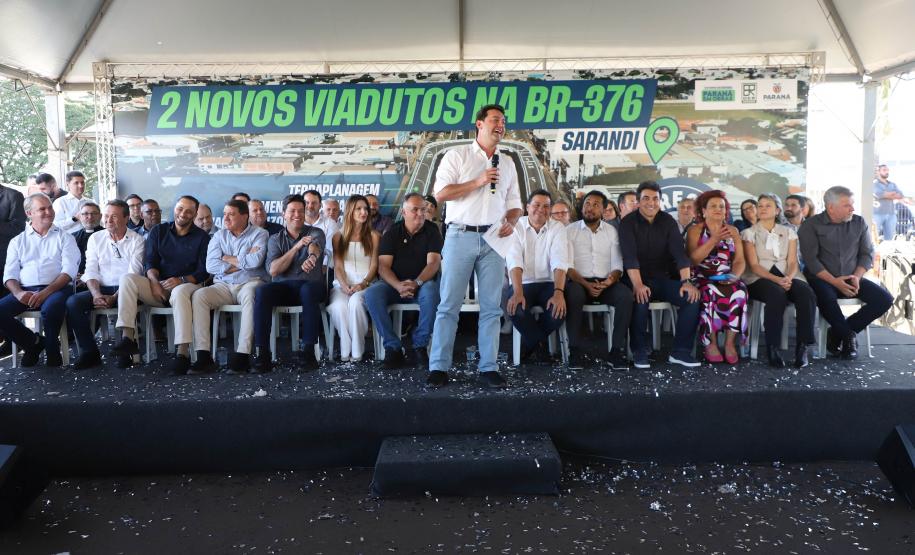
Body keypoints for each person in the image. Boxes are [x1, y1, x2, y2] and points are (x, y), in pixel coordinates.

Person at [427, 104, 522, 389]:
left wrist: (512, 221)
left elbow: (515, 205)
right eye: (495, 120)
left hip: (494, 238)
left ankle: (489, 367)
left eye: (503, 121)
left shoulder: (507, 163)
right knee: (448, 305)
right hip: (460, 236)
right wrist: (478, 181)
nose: (500, 125)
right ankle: (438, 367)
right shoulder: (457, 156)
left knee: (493, 308)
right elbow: (441, 194)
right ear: (479, 124)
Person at [111, 196, 209, 373]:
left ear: (195, 214)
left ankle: (182, 353)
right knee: (127, 279)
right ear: (174, 209)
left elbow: (203, 271)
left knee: (180, 291)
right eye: (180, 208)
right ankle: (127, 340)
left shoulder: (202, 237)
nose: (183, 214)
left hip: (188, 286)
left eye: (188, 211)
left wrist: (181, 280)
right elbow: (150, 262)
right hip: (159, 287)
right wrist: (154, 283)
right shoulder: (159, 231)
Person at [799, 186, 893, 360]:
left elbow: (867, 254)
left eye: (852, 204)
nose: (852, 209)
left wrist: (857, 277)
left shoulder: (859, 222)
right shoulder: (810, 225)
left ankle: (837, 333)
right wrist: (835, 282)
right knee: (826, 297)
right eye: (847, 205)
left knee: (884, 299)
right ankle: (848, 337)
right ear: (831, 207)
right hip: (821, 278)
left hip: (852, 276)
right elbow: (811, 261)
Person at [621, 181, 701, 369]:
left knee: (691, 297)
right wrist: (638, 285)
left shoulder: (667, 221)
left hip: (663, 278)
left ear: (660, 201)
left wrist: (686, 282)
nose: (651, 203)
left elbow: (680, 255)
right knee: (640, 297)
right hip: (636, 278)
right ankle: (639, 351)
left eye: (655, 199)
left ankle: (680, 352)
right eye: (646, 198)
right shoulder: (627, 223)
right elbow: (629, 258)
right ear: (639, 202)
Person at [190, 200, 269, 374]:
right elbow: (210, 266)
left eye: (231, 214)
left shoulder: (260, 234)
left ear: (244, 216)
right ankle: (203, 355)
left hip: (250, 281)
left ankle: (243, 354)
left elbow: (256, 262)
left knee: (251, 293)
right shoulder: (219, 236)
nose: (225, 218)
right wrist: (242, 260)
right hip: (223, 285)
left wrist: (226, 258)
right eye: (224, 213)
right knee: (199, 296)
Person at [0, 193, 79, 367]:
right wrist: (19, 293)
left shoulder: (65, 237)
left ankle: (52, 348)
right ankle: (33, 343)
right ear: (29, 214)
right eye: (42, 209)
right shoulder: (17, 241)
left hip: (57, 288)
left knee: (51, 308)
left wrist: (45, 292)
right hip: (25, 289)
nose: (49, 212)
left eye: (50, 207)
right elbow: (10, 275)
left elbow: (69, 271)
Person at [65, 200, 145, 369]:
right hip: (101, 289)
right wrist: (97, 295)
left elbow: (133, 273)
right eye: (107, 216)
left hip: (129, 291)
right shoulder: (96, 238)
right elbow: (91, 270)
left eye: (114, 216)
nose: (108, 220)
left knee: (127, 284)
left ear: (126, 218)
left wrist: (114, 297)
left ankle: (126, 350)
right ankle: (90, 352)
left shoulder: (137, 240)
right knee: (73, 302)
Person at [365, 193, 442, 368]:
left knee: (431, 292)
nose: (420, 214)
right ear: (404, 212)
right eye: (415, 210)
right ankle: (393, 348)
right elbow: (383, 266)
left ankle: (420, 346)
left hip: (422, 284)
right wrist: (398, 285)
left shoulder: (432, 231)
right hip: (394, 284)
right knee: (372, 293)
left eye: (423, 210)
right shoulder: (393, 232)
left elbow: (433, 263)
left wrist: (417, 283)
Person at [740, 194, 816, 368]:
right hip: (760, 277)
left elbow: (792, 262)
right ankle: (772, 347)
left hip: (788, 274)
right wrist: (777, 280)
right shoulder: (749, 233)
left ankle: (802, 347)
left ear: (777, 210)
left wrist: (788, 277)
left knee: (806, 293)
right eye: (760, 206)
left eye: (768, 205)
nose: (763, 208)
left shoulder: (789, 232)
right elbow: (754, 265)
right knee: (776, 294)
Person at [253, 194, 326, 373]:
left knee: (308, 290)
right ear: (283, 214)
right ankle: (263, 354)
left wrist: (312, 257)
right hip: (284, 287)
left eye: (301, 211)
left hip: (311, 286)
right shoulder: (275, 239)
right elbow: (274, 270)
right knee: (262, 291)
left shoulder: (315, 231)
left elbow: (314, 246)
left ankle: (308, 352)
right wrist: (296, 247)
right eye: (292, 211)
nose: (297, 215)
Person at [564, 190, 632, 368]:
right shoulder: (570, 231)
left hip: (605, 283)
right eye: (587, 203)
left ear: (603, 210)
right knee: (574, 295)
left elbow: (617, 264)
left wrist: (610, 280)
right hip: (579, 281)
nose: (590, 208)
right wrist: (586, 284)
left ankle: (616, 351)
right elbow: (567, 266)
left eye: (595, 205)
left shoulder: (611, 231)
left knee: (625, 296)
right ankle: (574, 351)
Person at [503, 190, 569, 362]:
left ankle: (528, 344)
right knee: (515, 309)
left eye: (546, 206)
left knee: (558, 311)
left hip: (548, 283)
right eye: (536, 205)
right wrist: (517, 292)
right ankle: (541, 346)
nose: (541, 209)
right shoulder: (516, 227)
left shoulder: (558, 228)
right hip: (522, 283)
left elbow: (560, 261)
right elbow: (514, 261)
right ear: (527, 207)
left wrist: (558, 292)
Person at [686, 190, 748, 364]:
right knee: (710, 292)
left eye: (721, 206)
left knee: (740, 291)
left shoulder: (733, 231)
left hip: (727, 276)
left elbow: (740, 261)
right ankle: (711, 343)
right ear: (703, 211)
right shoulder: (695, 231)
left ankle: (729, 343)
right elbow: (692, 259)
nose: (718, 209)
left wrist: (735, 276)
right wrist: (713, 240)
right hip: (702, 277)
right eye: (713, 206)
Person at [328, 195, 379, 362]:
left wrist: (363, 283)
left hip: (367, 284)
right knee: (338, 307)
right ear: (350, 211)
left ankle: (358, 349)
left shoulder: (374, 236)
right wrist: (344, 285)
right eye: (359, 209)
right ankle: (345, 345)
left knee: (356, 304)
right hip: (342, 284)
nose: (364, 212)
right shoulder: (338, 236)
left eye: (365, 209)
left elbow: (374, 266)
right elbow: (339, 266)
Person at [303, 190, 339, 269]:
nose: (310, 206)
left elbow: (331, 252)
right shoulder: (296, 222)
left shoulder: (330, 223)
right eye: (307, 202)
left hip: (323, 269)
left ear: (320, 205)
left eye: (314, 203)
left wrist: (320, 269)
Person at [873, 164, 908, 241]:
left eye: (887, 170)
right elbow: (879, 194)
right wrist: (893, 194)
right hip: (877, 214)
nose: (887, 172)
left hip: (891, 214)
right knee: (873, 238)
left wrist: (887, 194)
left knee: (889, 239)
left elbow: (901, 195)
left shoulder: (892, 184)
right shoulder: (874, 184)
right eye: (884, 170)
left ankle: (886, 253)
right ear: (878, 172)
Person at [72, 201, 104, 278]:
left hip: (101, 278)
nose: (89, 217)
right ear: (80, 216)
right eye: (85, 214)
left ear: (100, 216)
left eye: (94, 213)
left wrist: (87, 277)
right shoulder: (72, 237)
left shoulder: (108, 235)